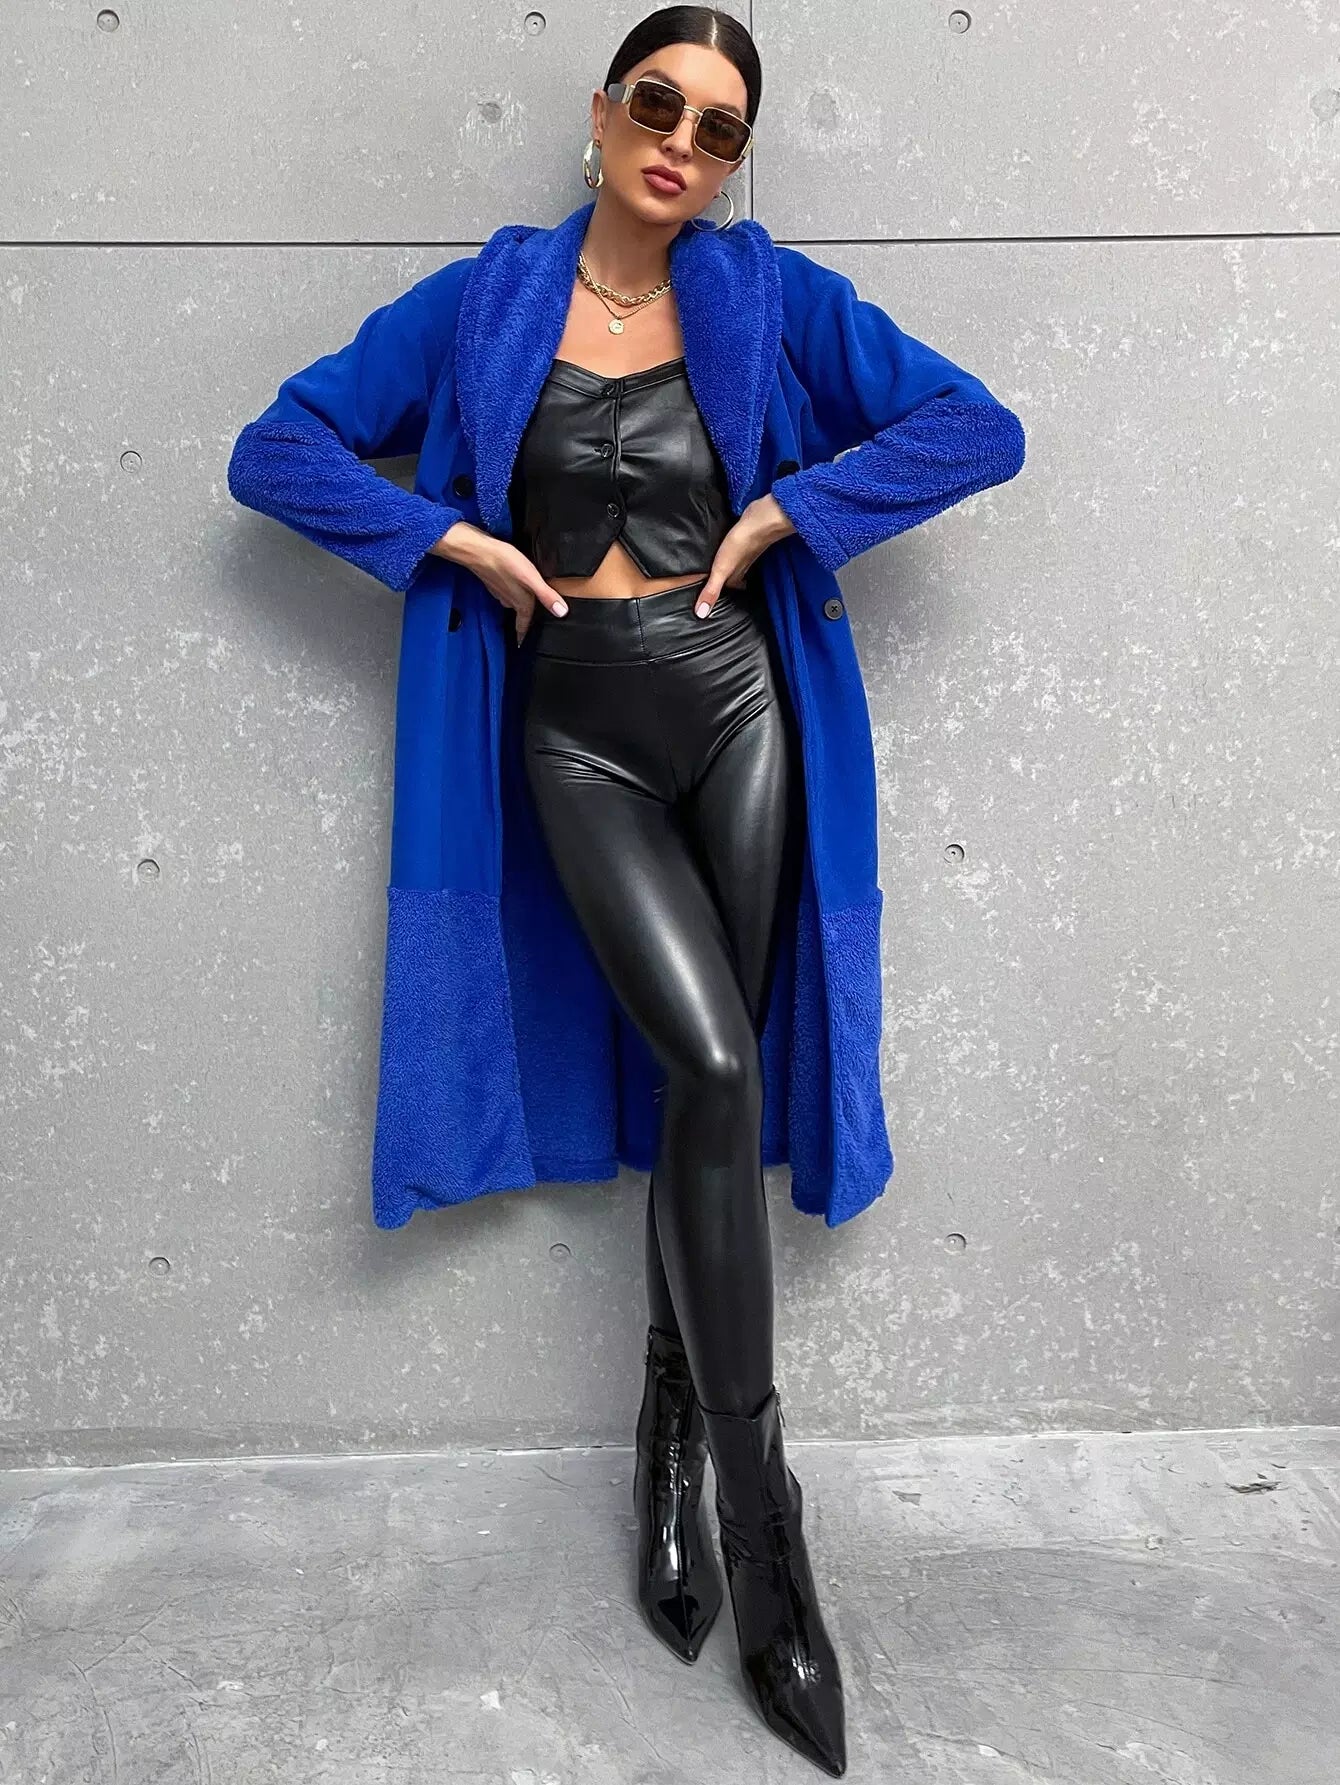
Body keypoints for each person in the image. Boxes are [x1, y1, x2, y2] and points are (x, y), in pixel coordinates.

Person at [227, 9, 1026, 1774]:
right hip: (573, 730)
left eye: (719, 128)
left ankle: (674, 1430)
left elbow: (981, 428)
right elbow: (276, 448)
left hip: (738, 714)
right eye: (656, 104)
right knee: (712, 1064)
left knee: (704, 1094)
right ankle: (766, 1519)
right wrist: (442, 535)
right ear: (600, 114)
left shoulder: (767, 297)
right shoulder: (489, 300)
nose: (680, 141)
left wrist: (792, 511)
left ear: (735, 165)